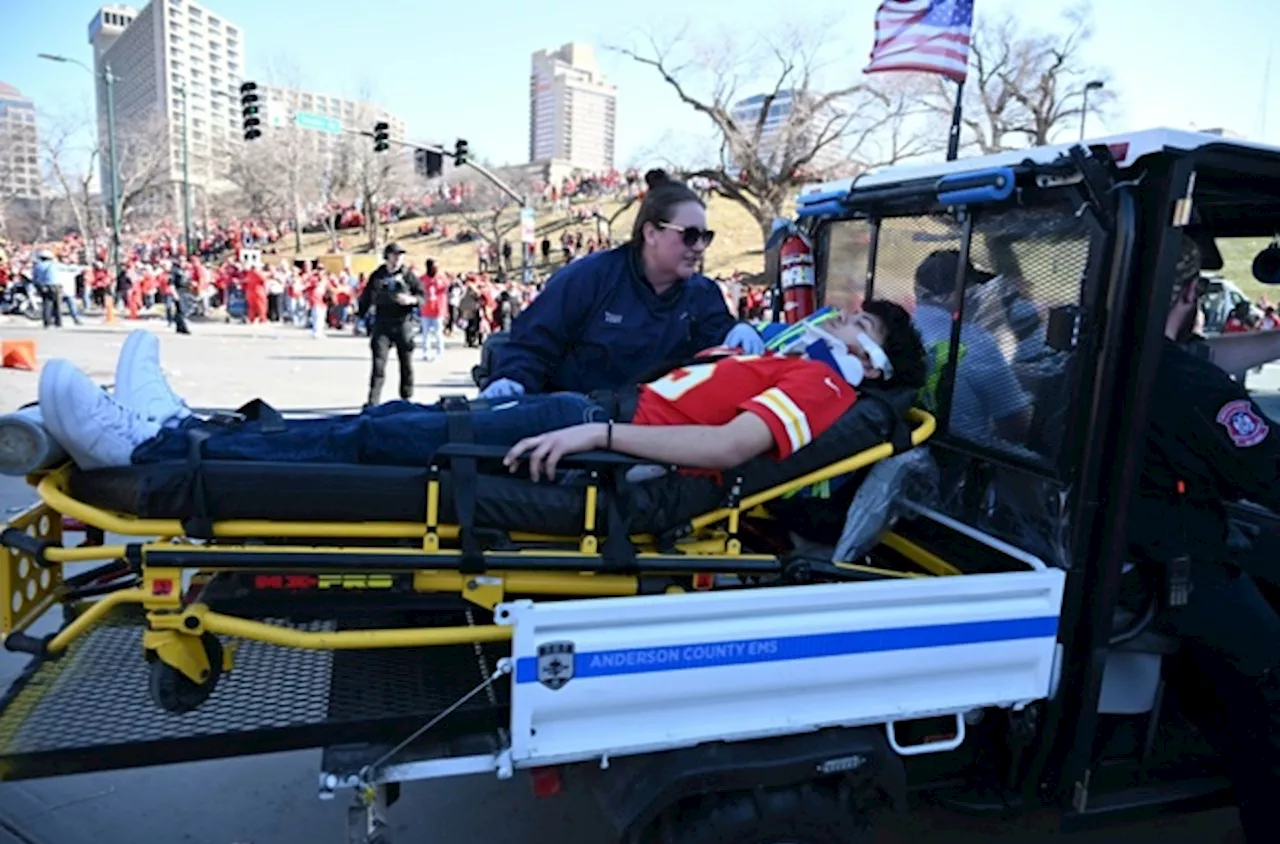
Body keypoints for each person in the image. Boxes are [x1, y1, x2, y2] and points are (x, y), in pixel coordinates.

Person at [37, 302, 925, 481]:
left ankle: (148, 448)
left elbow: (730, 449)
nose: (841, 322)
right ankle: (177, 430)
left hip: (595, 430)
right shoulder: (790, 360)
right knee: (385, 424)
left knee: (378, 439)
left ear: (872, 363)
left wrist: (599, 439)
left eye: (860, 327)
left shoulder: (825, 385)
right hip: (589, 413)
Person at [1124, 236, 1280, 844]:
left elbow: (1200, 358)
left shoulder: (1103, 349)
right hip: (1181, 566)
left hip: (1137, 550)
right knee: (1270, 687)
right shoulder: (1191, 384)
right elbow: (1267, 471)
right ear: (1190, 294)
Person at [480, 170, 759, 399]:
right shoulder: (590, 277)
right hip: (575, 428)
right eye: (690, 235)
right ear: (651, 233)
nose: (699, 247)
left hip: (657, 435)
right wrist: (512, 380)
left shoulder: (704, 294)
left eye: (705, 237)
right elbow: (533, 342)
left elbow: (717, 339)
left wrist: (738, 331)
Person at [911, 249, 1031, 443]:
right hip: (967, 462)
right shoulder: (976, 343)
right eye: (974, 289)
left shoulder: (901, 330)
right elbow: (1016, 426)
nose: (979, 296)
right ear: (957, 295)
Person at [358, 243, 424, 408]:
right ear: (387, 257)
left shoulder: (408, 275)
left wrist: (412, 300)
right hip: (382, 323)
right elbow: (366, 297)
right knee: (378, 364)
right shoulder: (377, 275)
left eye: (400, 255)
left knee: (406, 364)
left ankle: (406, 399)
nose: (398, 259)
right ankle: (373, 400)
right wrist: (360, 316)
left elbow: (422, 296)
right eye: (394, 255)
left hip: (403, 323)